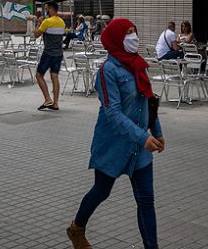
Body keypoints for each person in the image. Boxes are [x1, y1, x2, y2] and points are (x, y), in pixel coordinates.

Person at [67, 18, 164, 249]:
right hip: (113, 144)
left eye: (134, 31)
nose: (134, 37)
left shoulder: (138, 64)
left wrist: (157, 131)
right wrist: (143, 137)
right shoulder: (107, 71)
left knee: (146, 202)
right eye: (128, 33)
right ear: (117, 38)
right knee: (101, 191)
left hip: (139, 148)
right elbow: (113, 113)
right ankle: (77, 228)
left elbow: (148, 100)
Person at [33, 1, 65, 110]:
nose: (45, 10)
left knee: (39, 75)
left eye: (46, 8)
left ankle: (47, 99)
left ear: (51, 9)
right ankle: (55, 103)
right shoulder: (62, 22)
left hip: (48, 54)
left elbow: (36, 35)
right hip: (59, 54)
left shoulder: (46, 22)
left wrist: (38, 23)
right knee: (54, 77)